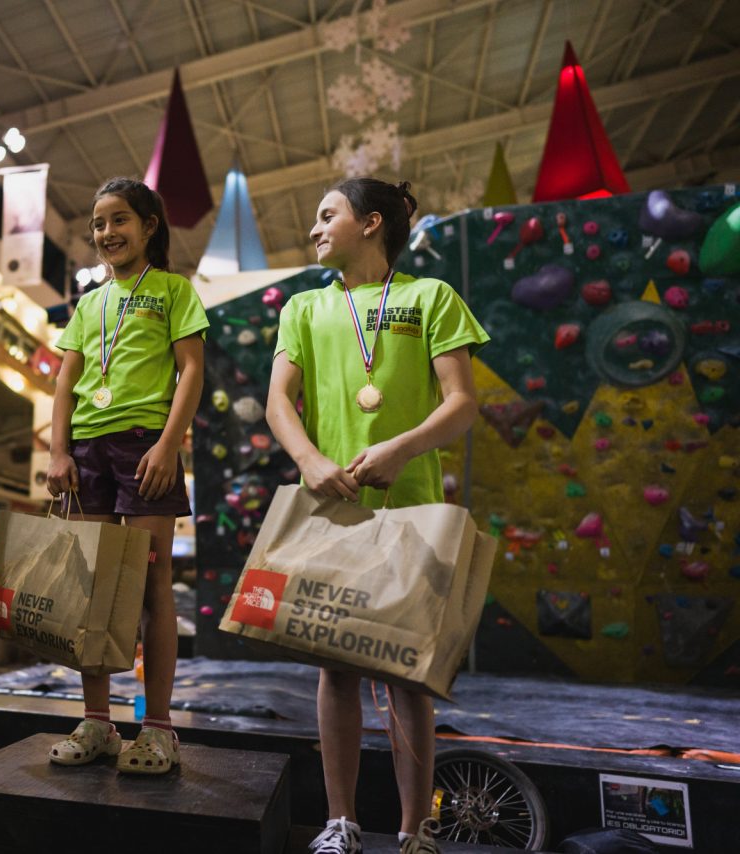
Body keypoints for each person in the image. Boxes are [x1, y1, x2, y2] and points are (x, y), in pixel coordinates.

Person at [267, 178, 489, 854]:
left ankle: (416, 830)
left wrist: (402, 447)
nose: (314, 228)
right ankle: (341, 823)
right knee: (334, 669)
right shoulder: (304, 308)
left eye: (326, 215)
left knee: (406, 675)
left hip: (412, 508)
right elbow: (278, 402)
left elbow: (461, 402)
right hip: (331, 508)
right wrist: (308, 459)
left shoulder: (431, 298)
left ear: (370, 223)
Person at [46, 176, 206, 775]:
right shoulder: (88, 304)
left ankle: (158, 728)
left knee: (149, 585)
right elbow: (65, 383)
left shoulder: (173, 290)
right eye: (98, 224)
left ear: (149, 226)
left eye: (119, 220)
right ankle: (98, 721)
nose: (107, 232)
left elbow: (191, 371)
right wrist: (58, 452)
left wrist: (169, 444)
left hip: (145, 448)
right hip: (87, 450)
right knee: (93, 586)